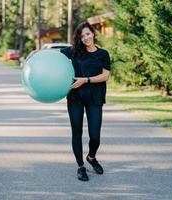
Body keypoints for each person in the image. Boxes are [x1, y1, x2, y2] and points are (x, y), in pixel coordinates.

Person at [60, 21, 111, 181]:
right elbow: (54, 58)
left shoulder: (103, 54)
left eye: (88, 34)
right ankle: (81, 166)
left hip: (95, 98)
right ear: (79, 39)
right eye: (82, 36)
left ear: (93, 34)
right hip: (75, 98)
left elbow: (105, 76)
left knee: (95, 136)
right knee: (77, 133)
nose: (86, 38)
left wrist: (85, 80)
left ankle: (91, 157)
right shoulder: (73, 52)